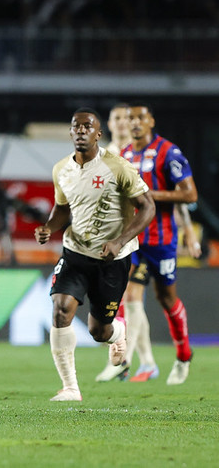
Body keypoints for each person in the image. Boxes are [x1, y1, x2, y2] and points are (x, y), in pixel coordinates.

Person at [34, 108, 155, 401]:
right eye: (76, 126)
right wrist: (49, 227)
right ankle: (71, 388)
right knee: (61, 308)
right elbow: (62, 209)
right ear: (71, 132)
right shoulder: (61, 169)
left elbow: (148, 207)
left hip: (112, 259)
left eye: (87, 126)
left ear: (98, 134)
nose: (81, 130)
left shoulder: (119, 167)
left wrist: (120, 240)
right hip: (75, 252)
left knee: (99, 331)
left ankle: (117, 331)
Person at [96, 104, 202, 383]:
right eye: (129, 118)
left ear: (151, 121)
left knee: (166, 299)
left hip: (162, 240)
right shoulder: (125, 154)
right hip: (133, 239)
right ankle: (121, 359)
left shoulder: (169, 152)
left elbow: (190, 195)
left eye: (140, 117)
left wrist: (149, 195)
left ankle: (183, 355)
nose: (134, 123)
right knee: (123, 295)